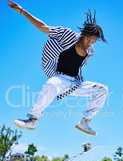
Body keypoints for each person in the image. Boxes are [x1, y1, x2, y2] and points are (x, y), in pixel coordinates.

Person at [9, 0, 109, 136]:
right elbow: (43, 27)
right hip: (60, 78)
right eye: (89, 39)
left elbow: (78, 68)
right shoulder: (66, 35)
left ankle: (85, 122)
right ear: (83, 35)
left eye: (94, 41)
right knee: (51, 84)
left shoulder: (90, 52)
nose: (90, 43)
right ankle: (33, 119)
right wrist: (22, 11)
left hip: (75, 82)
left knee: (103, 90)